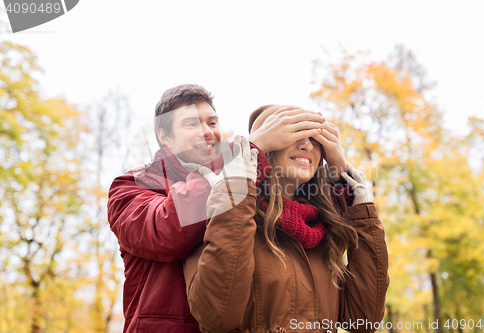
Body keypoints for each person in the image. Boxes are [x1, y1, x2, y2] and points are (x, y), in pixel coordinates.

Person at [107, 86, 338, 333]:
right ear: (164, 136)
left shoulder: (244, 180)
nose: (207, 132)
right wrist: (252, 147)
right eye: (192, 124)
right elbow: (168, 231)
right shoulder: (132, 185)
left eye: (212, 122)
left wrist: (340, 171)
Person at [184, 105, 389, 333]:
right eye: (294, 133)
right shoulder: (225, 211)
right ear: (266, 146)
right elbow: (217, 318)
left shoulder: (327, 231)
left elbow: (363, 321)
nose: (306, 145)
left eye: (315, 139)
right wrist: (237, 186)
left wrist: (356, 203)